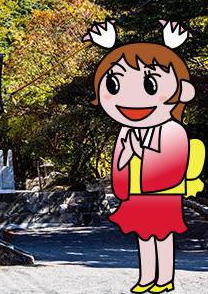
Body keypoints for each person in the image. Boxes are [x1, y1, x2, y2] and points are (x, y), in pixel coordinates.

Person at [85, 20, 203, 293]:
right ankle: (147, 276)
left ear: (182, 92)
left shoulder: (172, 129)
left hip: (161, 193)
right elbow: (118, 163)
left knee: (162, 236)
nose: (131, 100)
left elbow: (173, 161)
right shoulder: (126, 131)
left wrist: (142, 155)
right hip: (137, 194)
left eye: (150, 85)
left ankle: (165, 278)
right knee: (143, 237)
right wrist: (123, 186)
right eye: (113, 85)